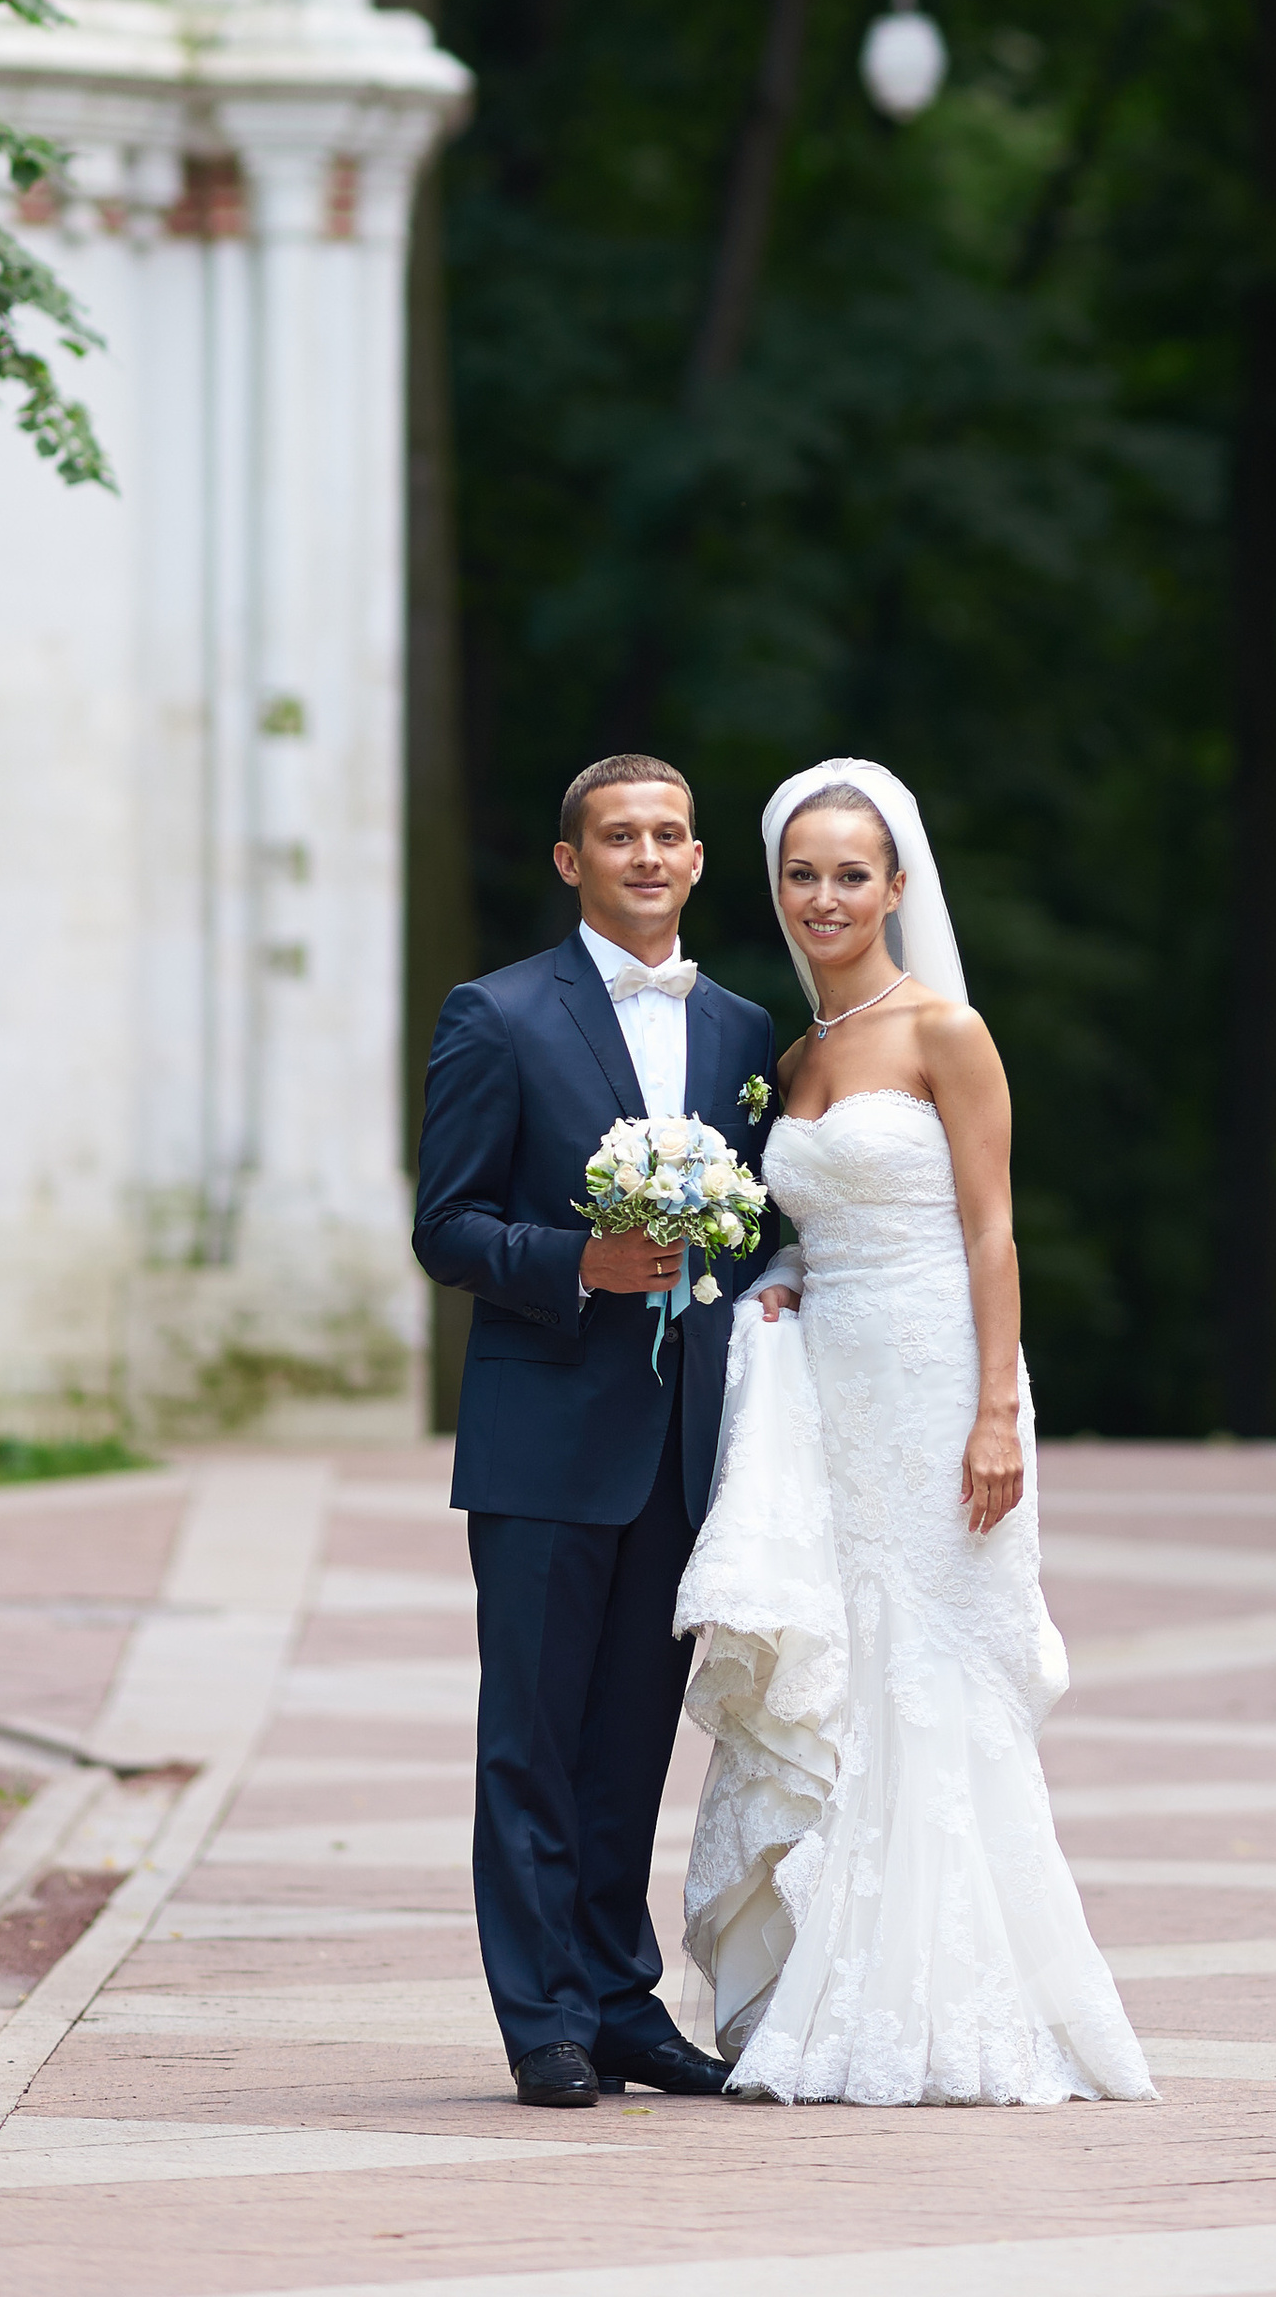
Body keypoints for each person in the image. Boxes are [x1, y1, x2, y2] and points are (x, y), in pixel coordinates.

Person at [673, 757, 1155, 2107]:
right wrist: (777, 1282)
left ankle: (954, 1997)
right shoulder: (792, 1059)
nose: (825, 897)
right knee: (850, 1663)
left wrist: (996, 1411)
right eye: (803, 875)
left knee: (937, 1664)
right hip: (831, 1395)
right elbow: (802, 1229)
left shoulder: (947, 1030)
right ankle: (831, 1977)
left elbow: (993, 1231)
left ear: (896, 886)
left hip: (940, 1377)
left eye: (852, 874)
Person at [413, 753, 776, 2107]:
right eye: (619, 836)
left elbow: (758, 1229)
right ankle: (544, 2020)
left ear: (697, 860)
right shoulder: (497, 1014)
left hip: (683, 1443)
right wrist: (579, 1262)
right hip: (544, 1437)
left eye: (669, 835)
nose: (647, 856)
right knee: (532, 1741)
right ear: (572, 861)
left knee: (632, 1743)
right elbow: (445, 1225)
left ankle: (622, 2002)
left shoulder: (742, 1030)